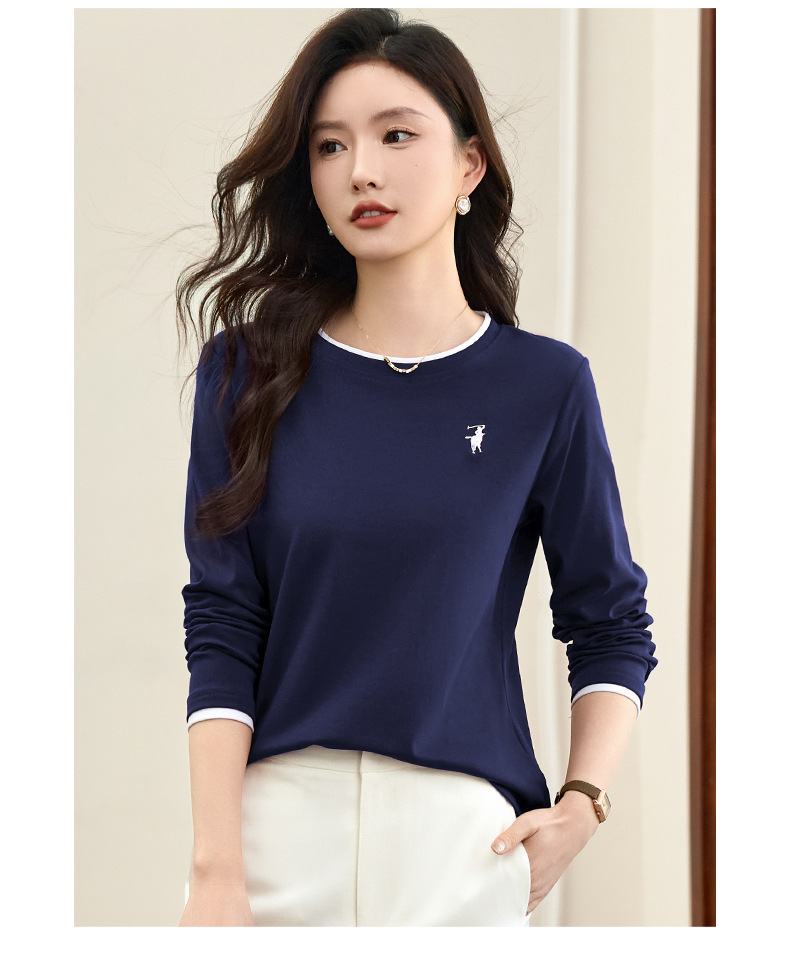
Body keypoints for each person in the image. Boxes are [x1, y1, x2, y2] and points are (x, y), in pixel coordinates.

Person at [175, 8, 656, 928]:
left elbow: (610, 620)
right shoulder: (245, 373)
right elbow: (224, 621)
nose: (361, 169)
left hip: (463, 849)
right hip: (272, 839)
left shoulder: (543, 386)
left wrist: (583, 805)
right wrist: (216, 866)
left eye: (396, 135)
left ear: (469, 165)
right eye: (330, 146)